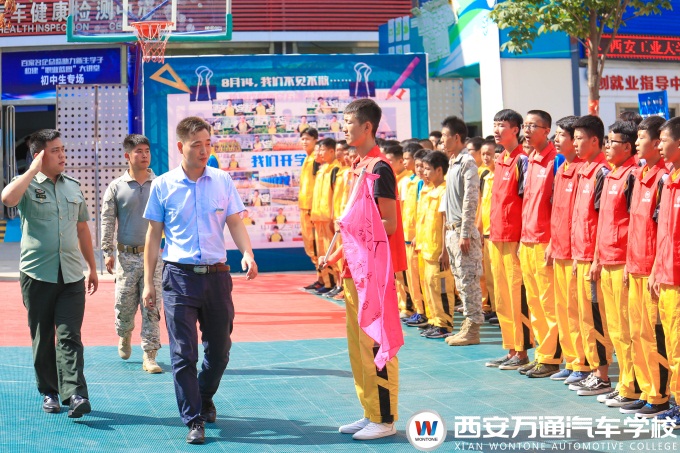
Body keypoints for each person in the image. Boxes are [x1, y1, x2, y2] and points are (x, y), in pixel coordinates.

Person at [142, 116, 258, 444]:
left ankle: (204, 396)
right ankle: (193, 418)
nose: (204, 150)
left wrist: (247, 253)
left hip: (217, 277)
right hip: (178, 278)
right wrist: (149, 282)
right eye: (197, 145)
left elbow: (235, 222)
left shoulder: (222, 180)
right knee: (183, 353)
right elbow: (153, 236)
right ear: (181, 147)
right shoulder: (163, 185)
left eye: (208, 143)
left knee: (220, 351)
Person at [323, 99, 406, 440]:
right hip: (354, 271)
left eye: (348, 122)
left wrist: (352, 229)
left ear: (367, 126)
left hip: (374, 272)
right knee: (359, 347)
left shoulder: (379, 169)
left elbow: (389, 224)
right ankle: (370, 411)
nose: (344, 128)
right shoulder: (358, 166)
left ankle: (385, 418)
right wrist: (336, 254)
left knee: (375, 343)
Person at [1, 129, 98, 418]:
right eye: (55, 151)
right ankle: (50, 392)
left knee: (69, 335)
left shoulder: (73, 187)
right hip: (37, 275)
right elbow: (7, 199)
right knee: (43, 336)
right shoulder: (26, 185)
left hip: (71, 275)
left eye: (62, 149)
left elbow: (82, 229)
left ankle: (76, 394)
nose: (62, 155)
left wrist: (92, 267)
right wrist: (31, 171)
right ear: (38, 155)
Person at [619, 116, 670, 417]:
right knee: (637, 333)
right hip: (635, 265)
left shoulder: (664, 179)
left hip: (652, 270)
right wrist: (629, 262)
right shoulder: (639, 176)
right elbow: (634, 224)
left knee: (654, 336)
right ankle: (647, 390)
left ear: (657, 142)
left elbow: (662, 229)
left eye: (641, 138)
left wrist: (654, 269)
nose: (636, 143)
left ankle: (660, 396)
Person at [101, 134, 162, 373]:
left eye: (147, 150)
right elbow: (107, 220)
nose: (144, 155)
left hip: (153, 257)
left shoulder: (160, 184)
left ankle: (150, 355)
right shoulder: (116, 187)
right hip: (126, 258)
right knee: (124, 306)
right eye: (139, 151)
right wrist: (107, 251)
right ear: (128, 155)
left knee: (152, 307)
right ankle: (124, 334)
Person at [568, 115, 614, 396]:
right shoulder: (584, 170)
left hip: (594, 258)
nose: (574, 143)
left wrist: (596, 258)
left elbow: (603, 220)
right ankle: (593, 369)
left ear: (595, 140)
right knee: (585, 317)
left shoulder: (602, 172)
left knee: (598, 318)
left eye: (579, 138)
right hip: (581, 254)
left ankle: (603, 375)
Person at [484, 109, 533, 371]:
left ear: (515, 130)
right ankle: (511, 348)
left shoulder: (522, 160)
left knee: (517, 295)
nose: (496, 130)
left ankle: (522, 351)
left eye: (501, 125)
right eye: (495, 124)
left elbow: (526, 201)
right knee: (502, 297)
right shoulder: (501, 159)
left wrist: (522, 237)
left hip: (514, 238)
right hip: (496, 237)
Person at [544, 116, 590, 383]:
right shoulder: (562, 168)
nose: (556, 139)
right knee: (563, 308)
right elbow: (558, 212)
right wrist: (553, 242)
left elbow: (580, 216)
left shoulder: (584, 170)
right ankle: (571, 360)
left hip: (574, 252)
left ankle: (583, 363)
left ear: (575, 140)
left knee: (577, 310)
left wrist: (574, 251)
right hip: (559, 249)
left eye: (562, 135)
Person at [516, 110, 561, 378]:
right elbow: (528, 204)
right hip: (528, 240)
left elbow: (558, 206)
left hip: (545, 241)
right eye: (525, 126)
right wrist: (522, 238)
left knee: (548, 302)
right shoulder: (530, 160)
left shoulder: (555, 161)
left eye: (533, 126)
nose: (527, 131)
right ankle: (541, 355)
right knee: (533, 300)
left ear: (546, 130)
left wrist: (554, 240)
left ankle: (552, 358)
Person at [438, 116, 483, 346]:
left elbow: (470, 199)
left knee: (468, 281)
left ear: (456, 137)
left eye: (445, 136)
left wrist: (465, 232)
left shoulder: (467, 162)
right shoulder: (453, 162)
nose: (442, 141)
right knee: (460, 281)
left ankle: (473, 329)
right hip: (452, 232)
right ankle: (467, 324)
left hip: (462, 233)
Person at [649, 116, 680, 429]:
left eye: (664, 140)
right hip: (668, 276)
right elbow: (665, 235)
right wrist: (657, 269)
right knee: (672, 344)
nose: (659, 146)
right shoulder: (669, 181)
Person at [417, 150, 457, 339]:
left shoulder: (444, 191)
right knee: (430, 286)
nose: (424, 172)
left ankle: (444, 324)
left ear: (439, 170)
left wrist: (445, 251)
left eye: (427, 169)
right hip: (427, 249)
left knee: (441, 288)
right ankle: (434, 320)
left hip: (439, 251)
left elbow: (446, 223)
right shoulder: (430, 191)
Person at [310, 137, 340, 295]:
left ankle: (337, 283)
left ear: (331, 151)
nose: (320, 153)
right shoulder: (322, 169)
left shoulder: (336, 169)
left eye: (323, 150)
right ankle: (328, 283)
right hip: (318, 216)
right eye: (319, 150)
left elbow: (335, 196)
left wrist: (332, 216)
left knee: (332, 250)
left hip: (328, 217)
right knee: (322, 250)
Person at [476, 140, 499, 322]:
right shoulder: (484, 176)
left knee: (498, 276)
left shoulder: (501, 176)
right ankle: (493, 307)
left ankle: (500, 310)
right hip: (485, 231)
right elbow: (481, 205)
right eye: (483, 154)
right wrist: (478, 229)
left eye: (490, 154)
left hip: (497, 233)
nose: (486, 157)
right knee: (488, 275)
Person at [298, 128, 323, 291]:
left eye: (308, 139)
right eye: (302, 139)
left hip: (313, 208)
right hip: (305, 207)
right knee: (310, 244)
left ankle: (326, 279)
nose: (304, 142)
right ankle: (320, 277)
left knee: (316, 244)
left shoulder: (316, 160)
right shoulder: (307, 159)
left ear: (315, 140)